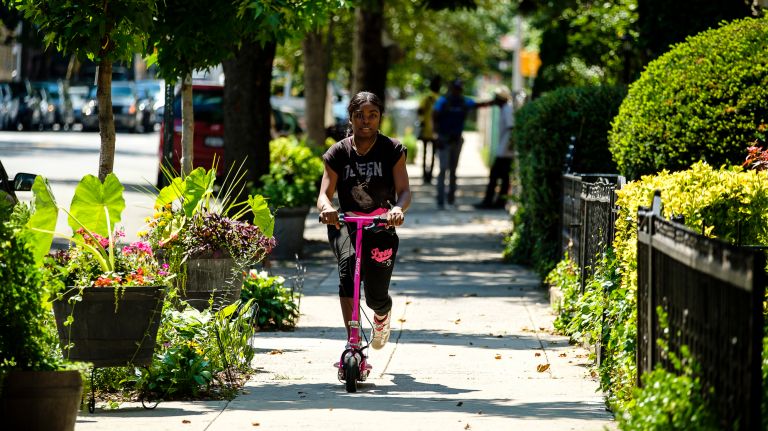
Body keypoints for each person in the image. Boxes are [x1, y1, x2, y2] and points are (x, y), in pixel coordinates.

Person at [317, 91, 412, 350]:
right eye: (359, 115)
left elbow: (404, 191)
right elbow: (324, 195)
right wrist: (327, 209)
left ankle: (381, 316)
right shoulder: (338, 152)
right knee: (347, 271)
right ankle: (353, 339)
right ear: (350, 118)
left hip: (381, 224)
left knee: (375, 296)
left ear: (380, 117)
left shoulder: (392, 149)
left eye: (372, 115)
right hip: (345, 224)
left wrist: (397, 209)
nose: (366, 121)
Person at [432, 78, 495, 209]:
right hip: (444, 139)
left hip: (456, 139)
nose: (457, 91)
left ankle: (451, 199)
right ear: (452, 88)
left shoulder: (464, 101)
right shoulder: (443, 101)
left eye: (459, 89)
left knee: (453, 170)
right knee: (443, 169)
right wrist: (436, 136)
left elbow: (478, 104)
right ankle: (440, 200)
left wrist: (494, 102)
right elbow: (434, 116)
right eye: (456, 88)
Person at [476, 86, 514, 209]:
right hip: (504, 149)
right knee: (502, 177)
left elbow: (511, 128)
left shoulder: (507, 109)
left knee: (496, 176)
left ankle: (491, 201)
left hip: (505, 150)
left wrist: (508, 147)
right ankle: (497, 202)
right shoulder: (504, 109)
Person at [416, 76, 441, 184]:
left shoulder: (426, 97)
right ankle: (430, 175)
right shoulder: (440, 98)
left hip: (426, 130)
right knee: (433, 155)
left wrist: (422, 120)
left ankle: (424, 176)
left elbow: (420, 111)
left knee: (425, 153)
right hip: (436, 131)